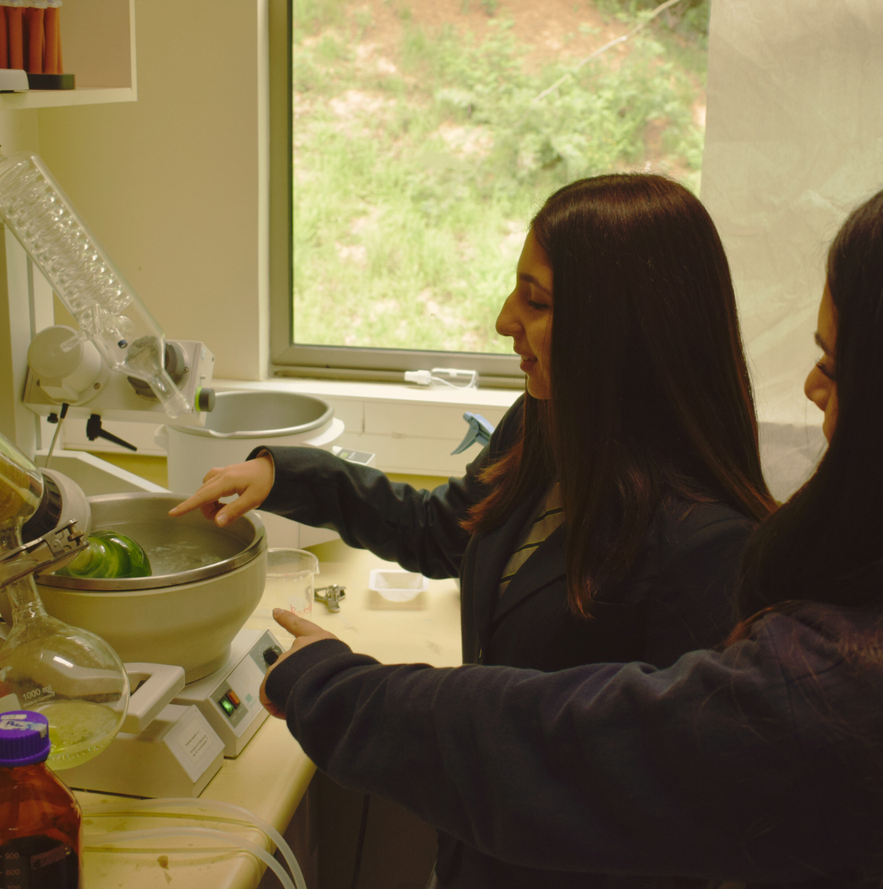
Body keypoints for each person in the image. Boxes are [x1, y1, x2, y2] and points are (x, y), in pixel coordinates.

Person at [251, 156, 883, 888]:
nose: (807, 386)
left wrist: (337, 687)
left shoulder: (872, 682)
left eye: (839, 366)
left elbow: (579, 748)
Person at [171, 174, 776, 887]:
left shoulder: (706, 549)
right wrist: (292, 477)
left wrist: (344, 685)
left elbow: (639, 799)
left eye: (538, 301)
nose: (503, 319)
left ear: (623, 329)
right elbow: (446, 529)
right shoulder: (550, 426)